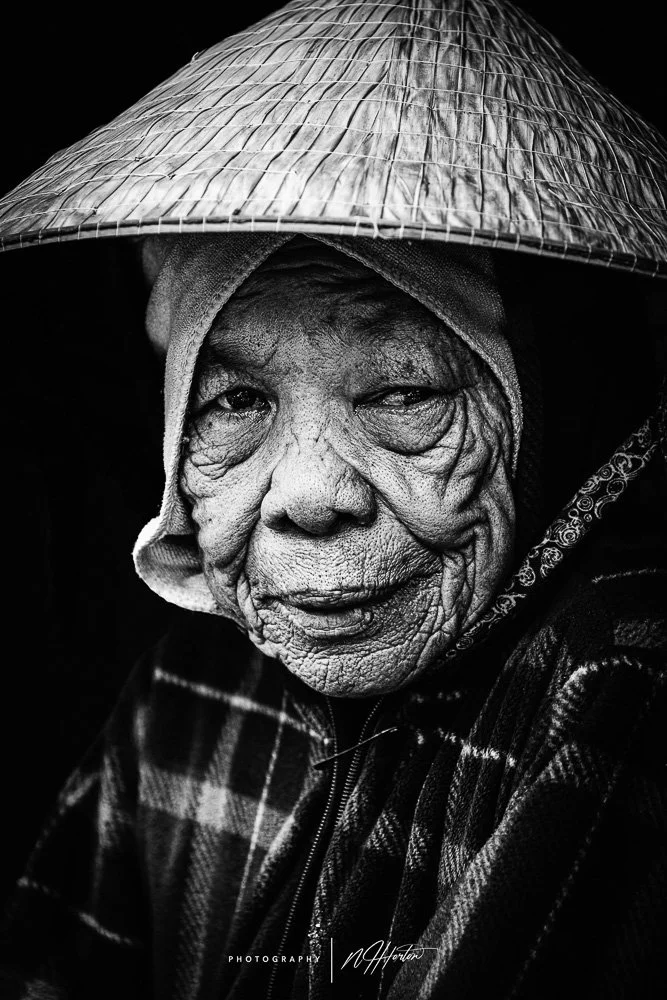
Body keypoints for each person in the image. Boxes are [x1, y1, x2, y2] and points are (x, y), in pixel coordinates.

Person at [0, 1, 665, 998]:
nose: (309, 496)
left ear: (543, 423)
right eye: (235, 399)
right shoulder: (188, 691)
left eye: (402, 391)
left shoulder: (618, 682)